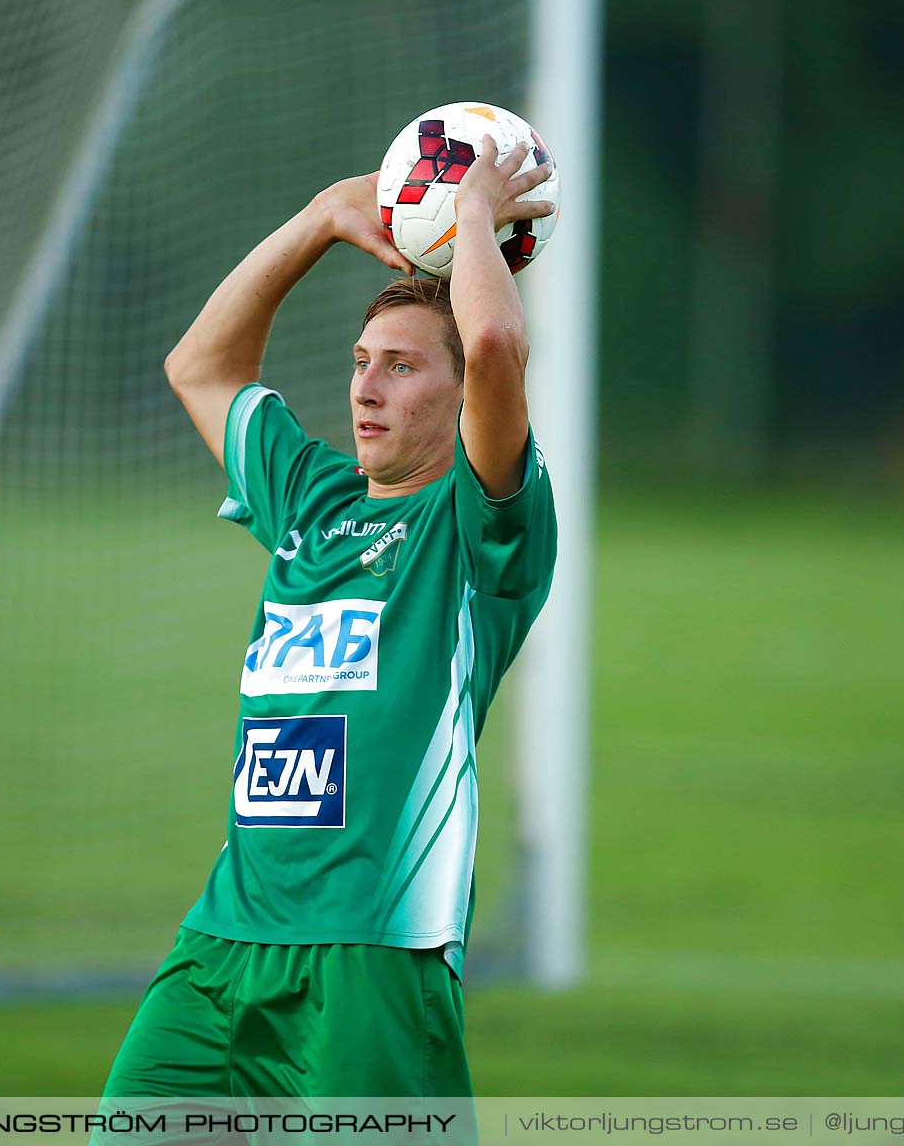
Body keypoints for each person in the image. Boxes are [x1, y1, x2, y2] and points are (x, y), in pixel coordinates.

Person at [97, 136, 559, 1104]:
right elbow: (199, 366)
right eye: (359, 362)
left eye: (399, 366)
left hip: (376, 948)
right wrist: (317, 219)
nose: (363, 386)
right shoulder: (310, 498)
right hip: (224, 943)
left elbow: (496, 343)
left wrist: (472, 215)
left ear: (462, 393)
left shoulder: (480, 526)